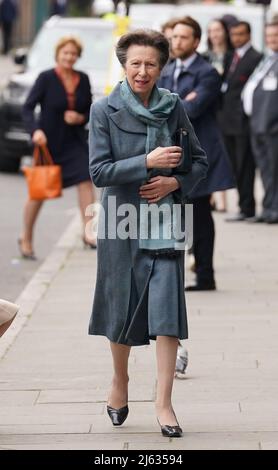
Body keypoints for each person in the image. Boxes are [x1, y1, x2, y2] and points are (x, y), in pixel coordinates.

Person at [88, 29, 208, 437]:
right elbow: (99, 172)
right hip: (120, 223)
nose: (142, 71)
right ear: (124, 65)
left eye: (151, 64)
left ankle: (164, 403)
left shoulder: (173, 107)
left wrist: (174, 183)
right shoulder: (104, 110)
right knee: (121, 310)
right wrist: (147, 160)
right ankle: (120, 381)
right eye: (135, 63)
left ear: (162, 68)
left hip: (166, 223)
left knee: (167, 313)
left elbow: (198, 162)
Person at [158, 17, 235, 291]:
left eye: (183, 38)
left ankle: (205, 275)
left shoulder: (207, 73)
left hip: (199, 154)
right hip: (171, 153)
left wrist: (173, 103)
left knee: (199, 213)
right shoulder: (166, 69)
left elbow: (190, 109)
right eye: (174, 37)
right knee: (177, 215)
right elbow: (161, 104)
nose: (176, 42)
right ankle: (176, 273)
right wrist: (179, 100)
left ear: (196, 42)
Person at [21, 36, 96, 259]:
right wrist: (35, 131)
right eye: (66, 53)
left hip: (74, 141)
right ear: (58, 55)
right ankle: (26, 236)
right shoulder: (45, 78)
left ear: (78, 56)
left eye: (73, 53)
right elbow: (28, 107)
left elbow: (90, 108)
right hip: (48, 143)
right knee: (39, 192)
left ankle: (88, 232)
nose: (69, 57)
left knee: (85, 180)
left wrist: (80, 117)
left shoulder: (82, 79)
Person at [218, 21, 262, 222]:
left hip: (243, 122)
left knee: (245, 166)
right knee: (234, 165)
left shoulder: (256, 58)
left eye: (241, 34)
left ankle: (247, 207)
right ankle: (243, 205)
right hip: (227, 120)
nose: (237, 38)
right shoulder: (230, 56)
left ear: (249, 34)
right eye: (234, 34)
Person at [242, 21, 278, 224]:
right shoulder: (267, 60)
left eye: (276, 35)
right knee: (264, 170)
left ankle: (275, 209)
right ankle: (268, 208)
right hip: (258, 124)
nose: (272, 39)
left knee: (274, 170)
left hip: (272, 127)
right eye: (269, 36)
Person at [203, 18, 234, 213]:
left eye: (218, 30)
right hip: (209, 108)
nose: (215, 34)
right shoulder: (205, 57)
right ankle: (213, 196)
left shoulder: (232, 55)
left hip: (227, 110)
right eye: (211, 30)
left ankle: (222, 198)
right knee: (209, 152)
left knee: (224, 153)